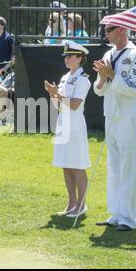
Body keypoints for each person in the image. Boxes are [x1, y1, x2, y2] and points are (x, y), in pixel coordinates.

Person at [92, 22, 136, 231]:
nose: (105, 34)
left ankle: (128, 219)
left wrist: (112, 74)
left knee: (128, 167)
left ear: (122, 30)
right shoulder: (108, 54)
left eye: (109, 30)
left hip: (127, 116)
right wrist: (102, 77)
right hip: (110, 114)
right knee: (113, 166)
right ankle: (115, 213)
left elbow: (133, 89)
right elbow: (99, 90)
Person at [44, 41, 91, 218]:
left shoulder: (83, 79)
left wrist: (57, 95)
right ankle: (71, 203)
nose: (67, 59)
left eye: (70, 56)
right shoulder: (65, 77)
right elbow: (58, 105)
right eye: (66, 56)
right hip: (63, 123)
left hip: (75, 125)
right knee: (66, 164)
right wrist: (52, 94)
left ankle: (82, 204)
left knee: (77, 165)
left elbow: (75, 104)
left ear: (79, 58)